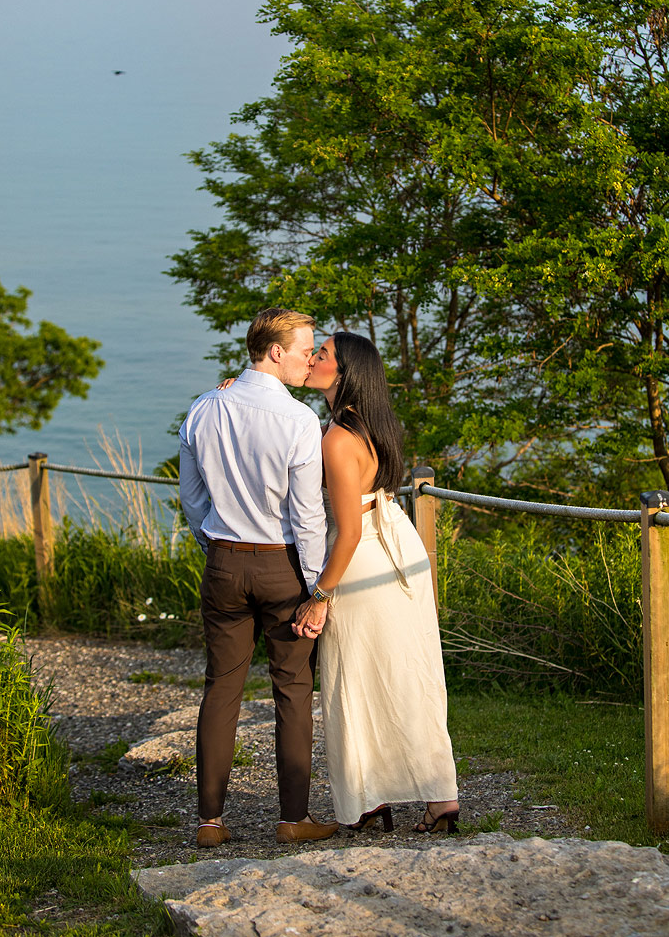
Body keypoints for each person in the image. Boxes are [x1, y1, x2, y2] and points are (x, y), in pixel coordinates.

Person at [178, 307, 339, 848]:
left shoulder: (203, 408)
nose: (309, 359)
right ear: (276, 352)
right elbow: (308, 515)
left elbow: (192, 496)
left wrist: (214, 545)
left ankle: (210, 823)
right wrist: (317, 588)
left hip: (223, 562)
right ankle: (293, 819)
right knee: (293, 689)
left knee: (221, 688)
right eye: (304, 350)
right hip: (282, 566)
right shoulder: (297, 421)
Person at [293, 331, 459, 834]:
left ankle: (368, 799)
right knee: (409, 671)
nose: (313, 358)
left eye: (322, 354)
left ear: (343, 374)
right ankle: (439, 797)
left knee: (355, 678)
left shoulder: (338, 439)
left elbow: (347, 533)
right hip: (397, 544)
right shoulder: (372, 426)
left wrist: (319, 596)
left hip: (362, 556)